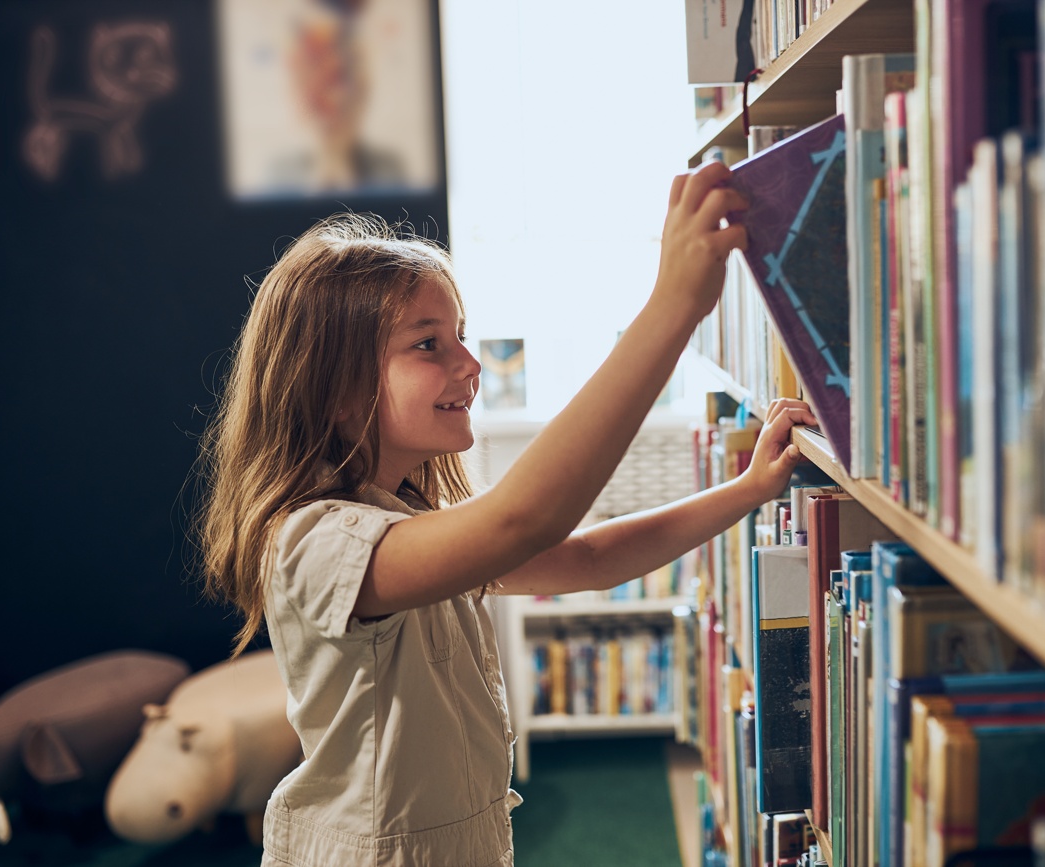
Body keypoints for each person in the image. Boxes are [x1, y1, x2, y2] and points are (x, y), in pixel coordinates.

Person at [195, 160, 816, 867]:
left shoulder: (406, 517)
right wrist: (672, 306)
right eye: (429, 344)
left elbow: (586, 559)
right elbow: (524, 519)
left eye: (460, 334)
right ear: (334, 391)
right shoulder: (316, 539)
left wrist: (747, 489)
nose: (469, 362)